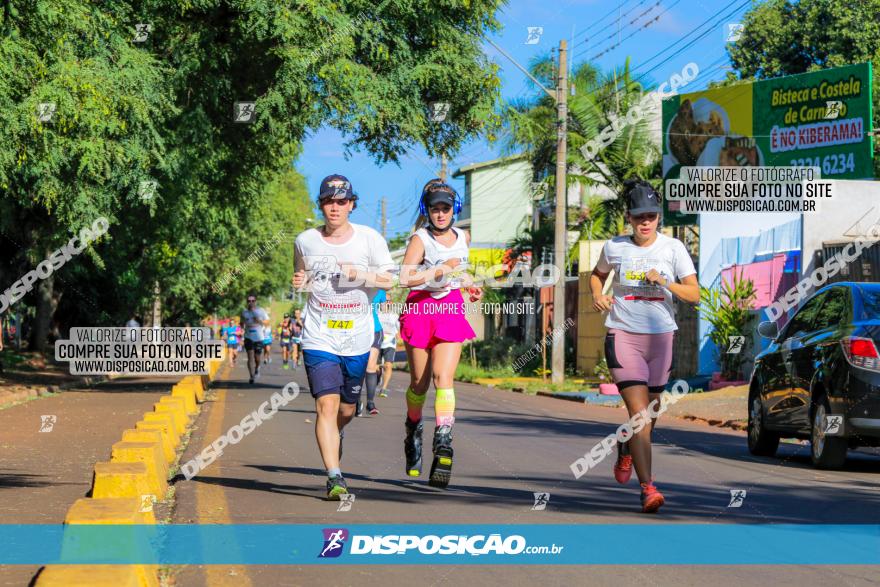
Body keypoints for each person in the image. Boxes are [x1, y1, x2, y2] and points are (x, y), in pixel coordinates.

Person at [590, 179, 699, 513]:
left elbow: (694, 294)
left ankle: (625, 446)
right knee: (640, 417)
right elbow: (597, 275)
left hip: (661, 338)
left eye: (651, 215)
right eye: (639, 216)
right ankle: (648, 488)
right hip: (622, 335)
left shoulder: (673, 249)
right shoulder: (615, 247)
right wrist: (597, 293)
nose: (646, 221)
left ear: (658, 216)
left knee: (649, 417)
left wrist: (665, 281)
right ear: (629, 217)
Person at [292, 174, 393, 500]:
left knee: (347, 410)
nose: (334, 207)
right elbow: (301, 271)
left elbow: (390, 281)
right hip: (319, 335)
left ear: (351, 204)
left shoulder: (369, 239)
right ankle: (335, 476)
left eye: (341, 201)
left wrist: (358, 274)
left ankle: (338, 434)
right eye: (328, 201)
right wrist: (300, 280)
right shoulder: (305, 240)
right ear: (320, 204)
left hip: (358, 336)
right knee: (326, 405)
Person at [398, 179, 482, 488]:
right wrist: (441, 269)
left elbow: (462, 272)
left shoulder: (464, 236)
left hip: (449, 309)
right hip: (420, 309)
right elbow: (405, 278)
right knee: (419, 385)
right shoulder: (420, 239)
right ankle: (413, 431)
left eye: (446, 208)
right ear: (427, 210)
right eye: (435, 209)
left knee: (442, 378)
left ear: (454, 209)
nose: (441, 214)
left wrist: (472, 285)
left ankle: (443, 439)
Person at [358, 289, 386, 416]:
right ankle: (356, 401)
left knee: (370, 366)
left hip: (375, 330)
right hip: (358, 330)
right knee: (357, 367)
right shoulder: (357, 287)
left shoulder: (381, 290)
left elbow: (384, 309)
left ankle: (370, 403)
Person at [240, 295, 270, 384]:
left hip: (259, 337)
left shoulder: (261, 311)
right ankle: (251, 376)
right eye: (249, 301)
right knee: (250, 357)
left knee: (257, 357)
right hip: (248, 336)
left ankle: (257, 367)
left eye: (253, 301)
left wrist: (259, 321)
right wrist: (242, 327)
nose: (251, 302)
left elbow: (267, 322)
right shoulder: (244, 312)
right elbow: (241, 323)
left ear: (255, 301)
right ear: (247, 302)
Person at [377, 299, 399, 397]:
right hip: (377, 342)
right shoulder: (376, 314)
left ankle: (384, 389)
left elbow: (399, 328)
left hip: (390, 343)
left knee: (388, 365)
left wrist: (398, 334)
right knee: (376, 368)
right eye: (383, 301)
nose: (384, 303)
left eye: (387, 301)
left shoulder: (394, 316)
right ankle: (378, 376)